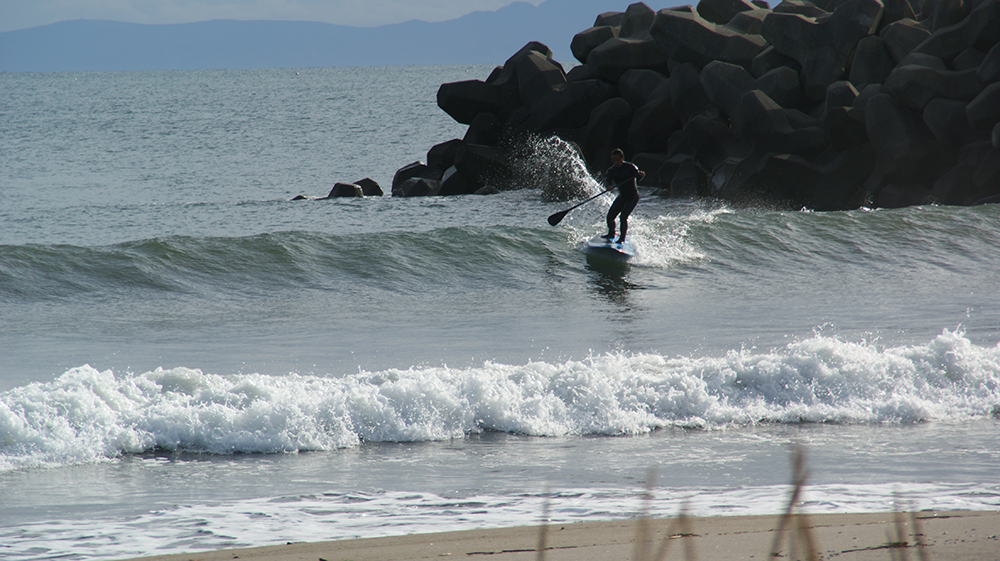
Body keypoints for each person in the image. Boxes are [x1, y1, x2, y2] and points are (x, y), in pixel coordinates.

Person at [602, 148, 644, 243]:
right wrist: (608, 186)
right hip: (622, 197)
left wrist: (641, 175)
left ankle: (622, 239)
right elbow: (607, 180)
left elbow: (638, 177)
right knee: (610, 217)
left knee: (623, 217)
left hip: (632, 197)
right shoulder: (611, 170)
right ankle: (611, 233)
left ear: (622, 158)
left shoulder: (630, 167)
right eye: (613, 160)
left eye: (617, 159)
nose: (615, 162)